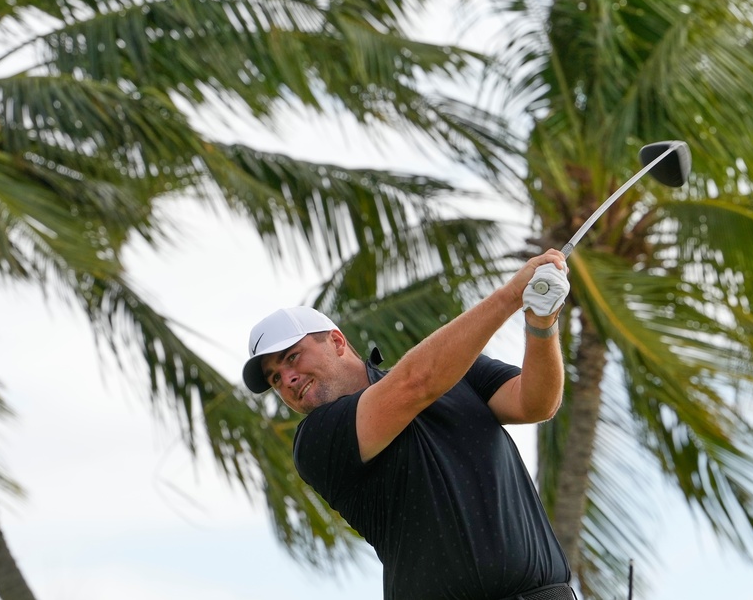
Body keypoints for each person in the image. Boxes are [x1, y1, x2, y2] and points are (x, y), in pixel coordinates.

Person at [241, 249, 575, 600]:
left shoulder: (458, 371)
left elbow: (536, 403)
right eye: (276, 379)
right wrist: (511, 295)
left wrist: (541, 323)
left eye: (292, 358)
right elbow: (414, 385)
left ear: (337, 341)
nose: (288, 380)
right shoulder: (316, 440)